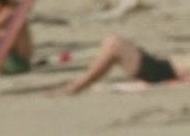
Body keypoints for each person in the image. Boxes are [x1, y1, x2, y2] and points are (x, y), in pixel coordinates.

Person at [61, 34, 190, 94]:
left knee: (113, 44)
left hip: (161, 72)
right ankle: (77, 86)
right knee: (112, 43)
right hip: (162, 68)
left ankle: (76, 87)